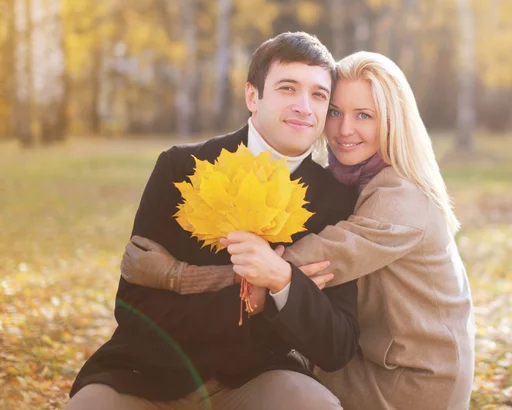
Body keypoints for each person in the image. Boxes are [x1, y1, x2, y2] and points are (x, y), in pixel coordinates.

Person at [123, 51, 476, 410]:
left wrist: (175, 276)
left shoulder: (400, 199)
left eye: (364, 115)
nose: (343, 129)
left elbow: (290, 264)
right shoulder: (358, 182)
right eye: (336, 111)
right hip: (375, 354)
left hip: (410, 377)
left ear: (393, 122)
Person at [65, 32, 361, 410]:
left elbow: (336, 344)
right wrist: (248, 304)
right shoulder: (181, 167)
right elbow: (135, 306)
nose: (305, 106)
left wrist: (281, 281)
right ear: (252, 96)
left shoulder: (334, 200)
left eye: (319, 94)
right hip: (146, 375)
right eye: (288, 88)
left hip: (259, 378)